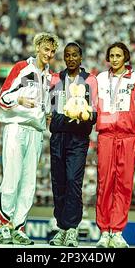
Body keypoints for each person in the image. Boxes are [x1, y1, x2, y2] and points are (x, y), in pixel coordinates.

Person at [0, 32, 59, 245]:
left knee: (29, 183)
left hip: (36, 132)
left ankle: (18, 227)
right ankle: (5, 225)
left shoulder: (52, 78)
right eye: (46, 49)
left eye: (52, 51)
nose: (48, 54)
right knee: (12, 177)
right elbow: (1, 98)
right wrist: (19, 98)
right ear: (37, 48)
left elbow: (49, 108)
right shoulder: (22, 67)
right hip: (16, 127)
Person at [95, 42, 135, 248]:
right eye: (111, 55)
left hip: (128, 138)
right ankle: (104, 231)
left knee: (124, 185)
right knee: (105, 184)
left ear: (125, 57)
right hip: (105, 137)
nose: (114, 59)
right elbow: (92, 108)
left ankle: (117, 232)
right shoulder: (100, 79)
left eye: (118, 55)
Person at [48, 42, 98, 247]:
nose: (71, 59)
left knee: (73, 182)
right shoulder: (55, 80)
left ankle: (72, 229)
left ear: (81, 57)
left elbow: (93, 115)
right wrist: (72, 118)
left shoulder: (90, 81)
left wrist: (76, 118)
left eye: (75, 55)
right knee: (58, 184)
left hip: (78, 141)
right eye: (67, 55)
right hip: (58, 139)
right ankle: (61, 228)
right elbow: (51, 119)